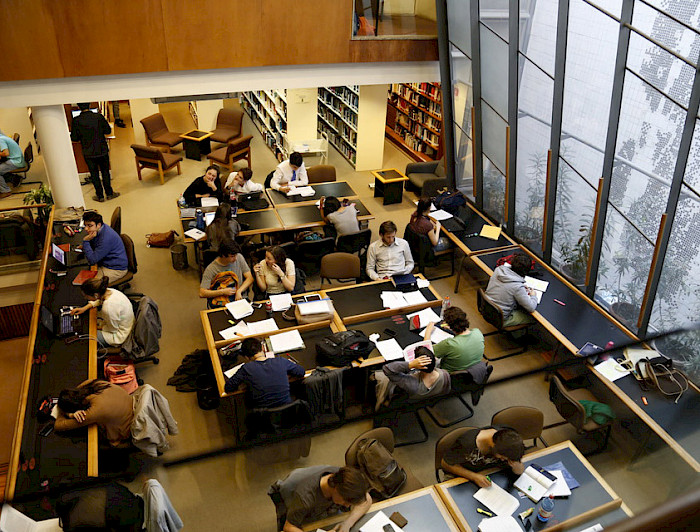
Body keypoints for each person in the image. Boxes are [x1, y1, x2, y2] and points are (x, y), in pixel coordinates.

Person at [274, 466, 371, 532]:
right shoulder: (305, 498)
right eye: (345, 501)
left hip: (327, 514)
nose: (347, 505)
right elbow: (288, 526)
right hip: (308, 519)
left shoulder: (342, 478)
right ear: (336, 490)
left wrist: (348, 523)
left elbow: (367, 499)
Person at [224, 337, 305, 407]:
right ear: (263, 348)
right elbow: (301, 372)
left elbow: (228, 387)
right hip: (288, 410)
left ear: (246, 357)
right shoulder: (281, 361)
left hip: (264, 416)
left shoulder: (246, 369)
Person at [54, 379, 134, 446]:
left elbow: (58, 426)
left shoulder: (93, 412)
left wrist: (66, 413)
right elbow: (78, 389)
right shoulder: (96, 384)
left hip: (127, 429)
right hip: (133, 405)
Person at [441, 426, 525, 486]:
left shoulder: (510, 439)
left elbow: (519, 470)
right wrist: (474, 477)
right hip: (463, 475)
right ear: (493, 446)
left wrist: (517, 466)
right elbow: (445, 464)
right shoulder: (467, 443)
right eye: (502, 457)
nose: (503, 460)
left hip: (490, 473)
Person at [374, 346, 451, 410]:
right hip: (428, 400)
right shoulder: (445, 374)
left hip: (409, 401)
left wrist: (410, 365)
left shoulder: (412, 384)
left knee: (382, 377)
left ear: (419, 366)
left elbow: (387, 369)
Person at [70, 103, 118, 202]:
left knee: (94, 174)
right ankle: (109, 193)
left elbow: (74, 138)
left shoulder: (76, 120)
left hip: (88, 152)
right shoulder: (98, 117)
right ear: (90, 105)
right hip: (102, 149)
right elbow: (108, 131)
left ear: (79, 107)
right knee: (105, 172)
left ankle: (99, 196)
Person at [70, 277, 134, 347]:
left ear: (96, 295)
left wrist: (97, 327)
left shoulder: (108, 308)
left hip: (119, 335)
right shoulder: (109, 291)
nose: (85, 298)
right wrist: (84, 308)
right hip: (126, 323)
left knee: (86, 336)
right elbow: (99, 300)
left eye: (86, 296)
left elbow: (113, 329)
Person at [424, 306, 484, 372]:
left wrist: (428, 331)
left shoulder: (450, 344)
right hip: (473, 370)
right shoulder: (478, 332)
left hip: (449, 375)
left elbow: (427, 352)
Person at [485, 252, 538, 326]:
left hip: (486, 308)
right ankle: (518, 335)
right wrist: (533, 296)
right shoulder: (517, 287)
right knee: (532, 318)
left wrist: (521, 287)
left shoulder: (498, 270)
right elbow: (531, 307)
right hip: (500, 318)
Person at [199, 240, 253, 305]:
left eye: (236, 255)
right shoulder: (211, 269)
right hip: (222, 301)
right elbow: (202, 293)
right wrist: (222, 292)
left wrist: (239, 291)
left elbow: (250, 278)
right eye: (232, 256)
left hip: (239, 298)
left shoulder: (239, 257)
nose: (236, 258)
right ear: (223, 255)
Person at [81, 211, 128, 284]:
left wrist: (86, 241)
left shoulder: (106, 238)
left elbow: (92, 260)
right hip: (106, 261)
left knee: (90, 284)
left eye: (89, 225)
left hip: (116, 269)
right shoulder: (101, 228)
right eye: (85, 225)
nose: (86, 229)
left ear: (98, 225)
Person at [0, 131, 25, 198]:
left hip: (16, 161)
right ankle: (13, 178)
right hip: (18, 159)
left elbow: (6, 153)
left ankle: (6, 191)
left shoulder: (1, 140)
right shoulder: (2, 136)